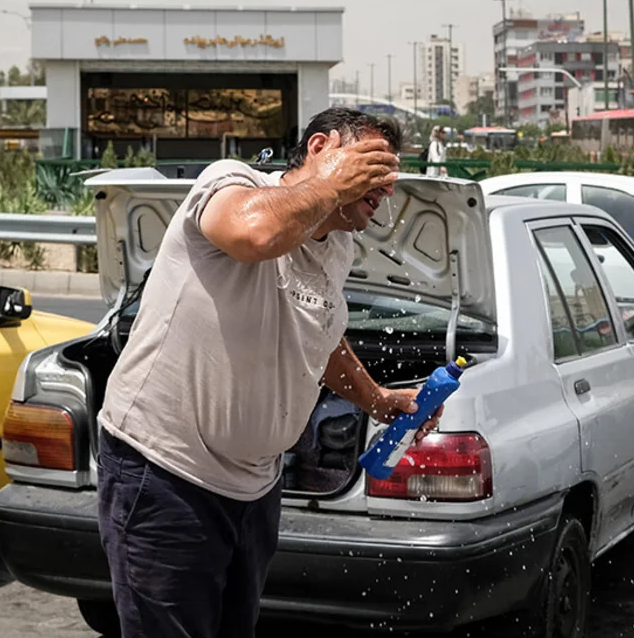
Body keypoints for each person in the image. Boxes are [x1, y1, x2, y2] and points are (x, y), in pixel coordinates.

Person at [96, 107, 441, 638]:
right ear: (321, 148)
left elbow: (317, 332)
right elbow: (255, 234)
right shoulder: (232, 184)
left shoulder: (338, 247)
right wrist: (331, 184)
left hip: (254, 488)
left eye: (390, 173)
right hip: (165, 472)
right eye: (372, 165)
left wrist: (377, 398)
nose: (385, 186)